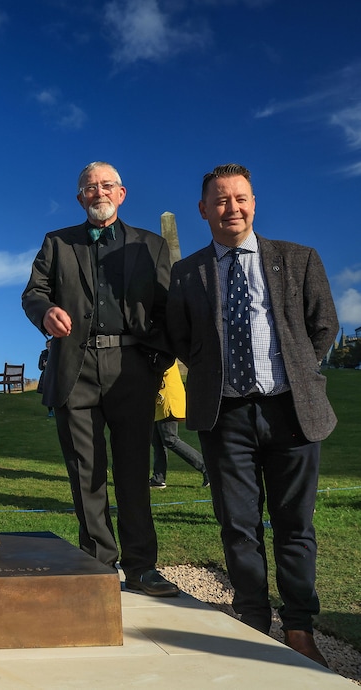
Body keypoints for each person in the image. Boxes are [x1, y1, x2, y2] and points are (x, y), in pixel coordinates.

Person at [167, 163, 338, 666]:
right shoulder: (188, 272)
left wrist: (300, 371)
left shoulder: (298, 259)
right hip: (226, 415)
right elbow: (180, 336)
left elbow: (322, 324)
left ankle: (300, 628)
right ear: (203, 210)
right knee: (238, 525)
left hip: (292, 412)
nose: (232, 208)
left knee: (294, 524)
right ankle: (253, 622)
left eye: (240, 198)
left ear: (254, 203)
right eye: (220, 200)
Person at [21, 161, 179, 597]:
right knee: (86, 473)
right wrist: (45, 313)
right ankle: (96, 565)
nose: (99, 192)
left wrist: (157, 361)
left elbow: (168, 308)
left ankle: (142, 567)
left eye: (107, 185)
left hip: (133, 369)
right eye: (90, 187)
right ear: (79, 198)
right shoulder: (57, 243)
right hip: (75, 371)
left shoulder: (151, 245)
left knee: (132, 472)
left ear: (122, 194)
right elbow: (33, 293)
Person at [150, 363, 208, 488]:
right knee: (157, 441)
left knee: (170, 439)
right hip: (159, 402)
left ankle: (206, 468)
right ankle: (158, 478)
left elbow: (159, 370)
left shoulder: (162, 351)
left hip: (168, 399)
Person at [37, 339, 54, 417]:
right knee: (47, 393)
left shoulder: (57, 352)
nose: (49, 348)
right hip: (46, 375)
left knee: (56, 393)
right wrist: (44, 365)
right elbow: (40, 367)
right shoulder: (43, 354)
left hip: (56, 374)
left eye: (50, 346)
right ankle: (50, 411)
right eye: (47, 346)